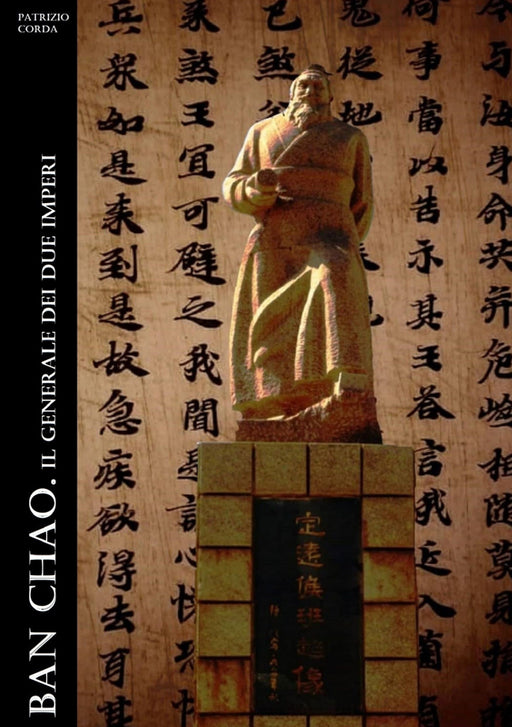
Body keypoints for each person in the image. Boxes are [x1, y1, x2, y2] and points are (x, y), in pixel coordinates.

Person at [222, 64, 380, 440]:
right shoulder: (262, 132)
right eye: (303, 86)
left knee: (336, 280)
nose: (310, 92)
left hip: (330, 232)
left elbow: (362, 202)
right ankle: (274, 402)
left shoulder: (349, 137)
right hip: (275, 236)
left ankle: (345, 380)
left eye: (317, 86)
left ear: (330, 96)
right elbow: (233, 184)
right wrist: (255, 191)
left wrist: (341, 231)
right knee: (268, 319)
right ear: (291, 93)